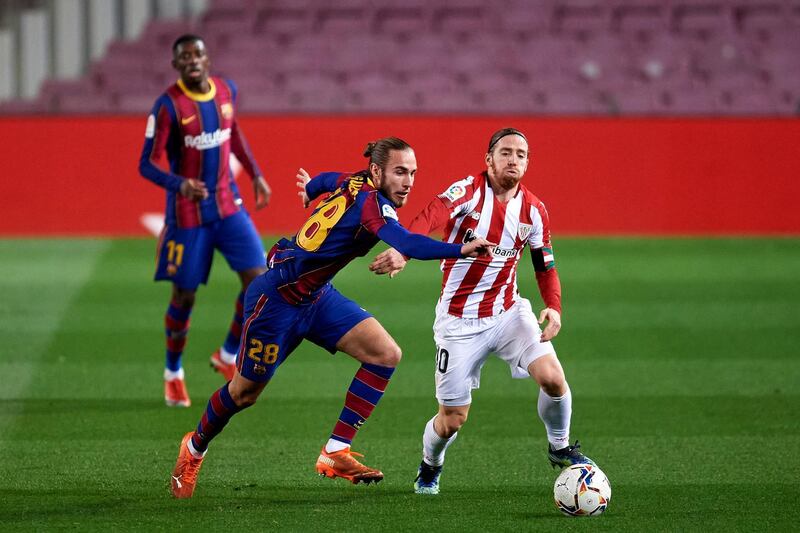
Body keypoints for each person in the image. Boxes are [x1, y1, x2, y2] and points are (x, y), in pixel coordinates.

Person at [168, 137, 495, 498]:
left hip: (315, 296)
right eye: (400, 172)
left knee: (385, 354)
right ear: (377, 171)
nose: (409, 181)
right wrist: (461, 249)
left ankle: (335, 450)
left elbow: (326, 179)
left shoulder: (355, 181)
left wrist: (309, 190)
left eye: (413, 173)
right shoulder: (374, 206)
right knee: (244, 394)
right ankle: (194, 448)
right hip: (275, 300)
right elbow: (409, 243)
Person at [368, 128, 595, 495]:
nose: (513, 159)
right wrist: (402, 250)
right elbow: (430, 215)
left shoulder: (534, 211)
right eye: (505, 152)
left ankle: (561, 447)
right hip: (459, 322)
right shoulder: (466, 192)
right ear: (488, 159)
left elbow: (545, 265)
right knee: (452, 420)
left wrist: (553, 307)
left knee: (553, 378)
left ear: (527, 163)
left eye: (521, 154)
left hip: (508, 313)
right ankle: (430, 466)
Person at [139, 34, 271, 408]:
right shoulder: (167, 106)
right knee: (184, 294)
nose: (192, 60)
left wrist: (256, 172)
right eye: (184, 56)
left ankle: (227, 355)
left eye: (197, 53)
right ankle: (173, 373)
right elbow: (145, 163)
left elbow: (234, 134)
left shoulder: (227, 91)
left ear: (207, 59)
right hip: (187, 215)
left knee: (258, 281)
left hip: (229, 206)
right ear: (176, 65)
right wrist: (179, 184)